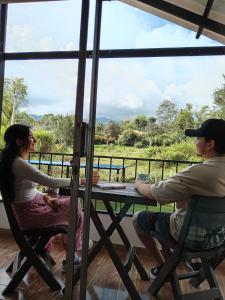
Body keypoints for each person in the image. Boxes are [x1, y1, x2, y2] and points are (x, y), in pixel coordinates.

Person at [133, 118, 225, 279]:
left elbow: (155, 193)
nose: (195, 142)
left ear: (210, 144)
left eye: (198, 138)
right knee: (182, 206)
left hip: (190, 240)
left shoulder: (199, 172)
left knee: (138, 218)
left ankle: (163, 267)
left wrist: (139, 184)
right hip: (219, 240)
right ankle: (195, 262)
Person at [0, 124, 99, 272]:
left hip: (27, 211)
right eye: (31, 137)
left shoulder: (12, 161)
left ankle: (67, 247)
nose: (34, 140)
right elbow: (51, 181)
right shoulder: (18, 164)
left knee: (60, 199)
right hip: (29, 216)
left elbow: (25, 192)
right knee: (73, 203)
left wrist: (47, 199)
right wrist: (82, 181)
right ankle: (73, 252)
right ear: (19, 141)